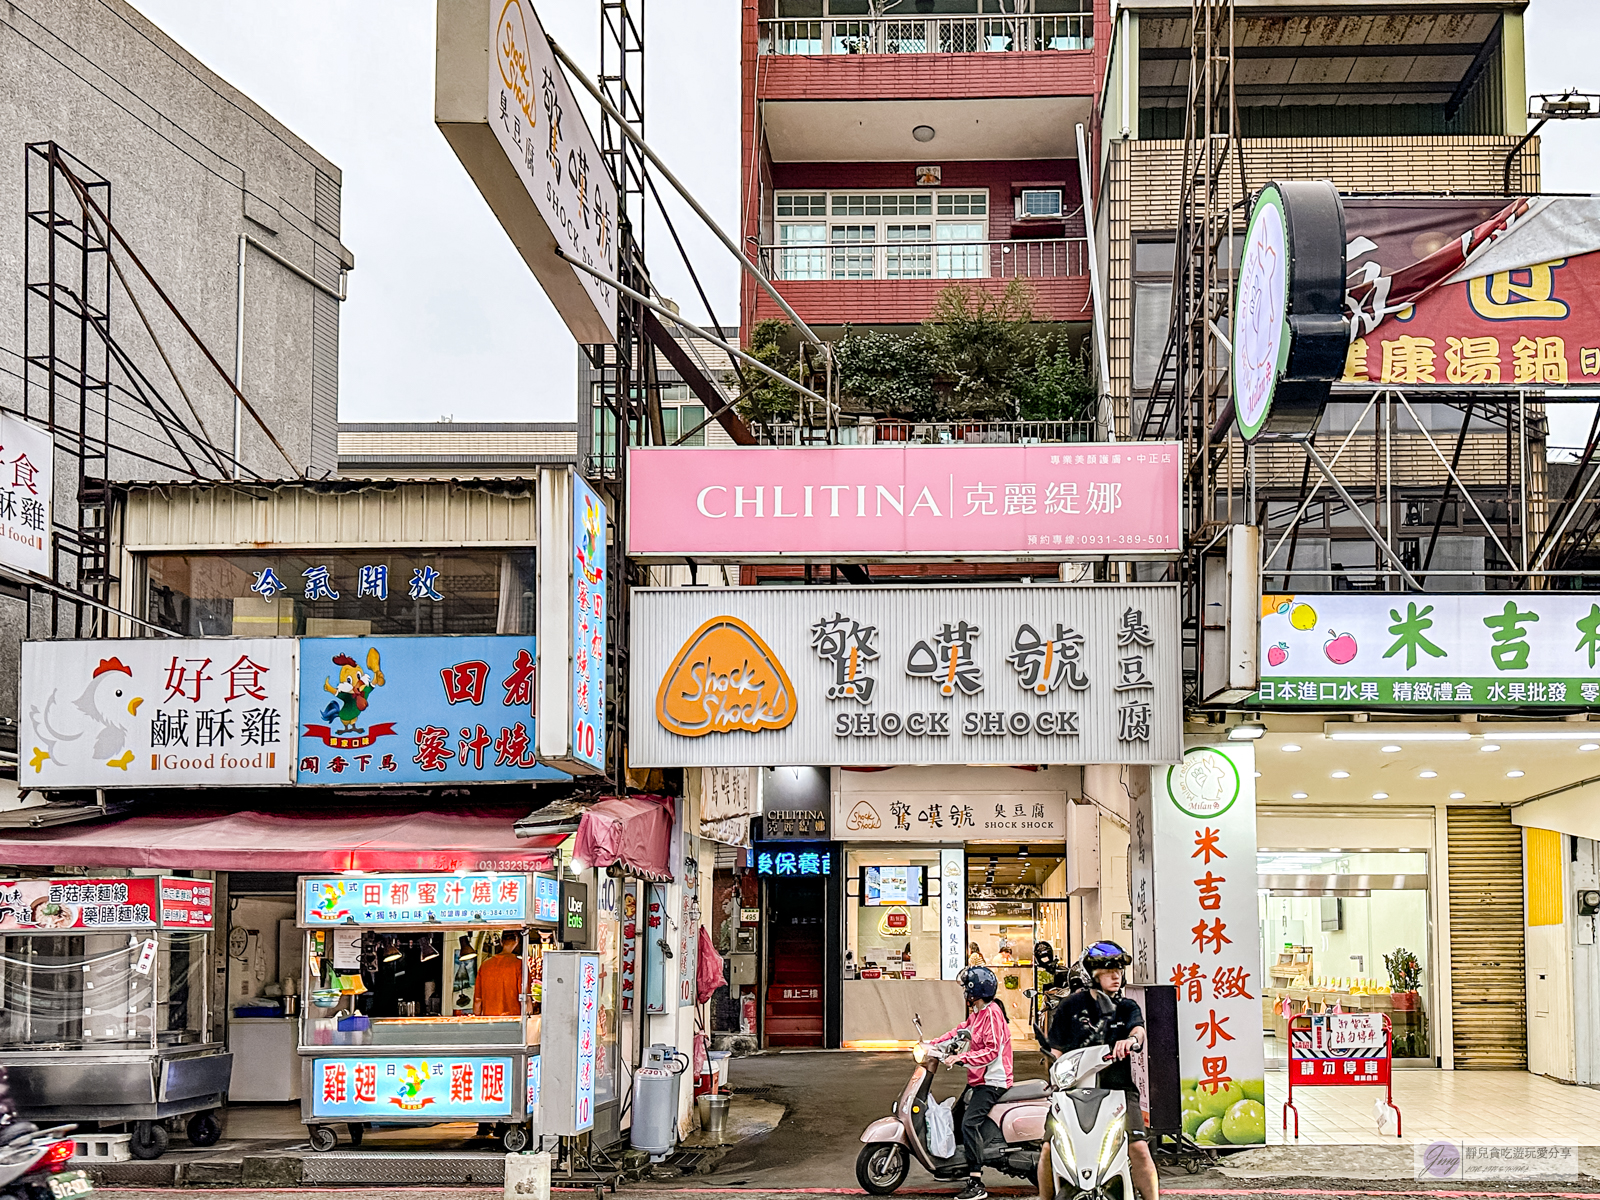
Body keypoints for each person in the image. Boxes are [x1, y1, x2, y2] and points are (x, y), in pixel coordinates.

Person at [1043, 942, 1158, 1200]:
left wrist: (1131, 1040)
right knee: (1048, 1149)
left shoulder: (1127, 1007)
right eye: (1108, 971)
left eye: (1118, 969)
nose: (1116, 975)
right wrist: (1055, 1073)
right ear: (1090, 975)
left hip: (1118, 1089)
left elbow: (1137, 1030)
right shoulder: (1069, 1007)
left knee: (1139, 1147)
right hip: (1072, 1092)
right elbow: (1056, 1050)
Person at [927, 965, 1013, 1200]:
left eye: (967, 988)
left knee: (969, 1123)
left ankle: (976, 1182)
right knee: (956, 1118)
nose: (964, 992)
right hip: (979, 1079)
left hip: (993, 1081)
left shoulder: (993, 1014)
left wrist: (961, 1058)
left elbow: (992, 1051)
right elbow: (960, 1031)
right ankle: (958, 1166)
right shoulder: (978, 1014)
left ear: (976, 990)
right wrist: (934, 1044)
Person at [473, 930, 524, 1017]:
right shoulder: (519, 965)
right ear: (517, 941)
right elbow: (525, 996)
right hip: (513, 1020)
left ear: (501, 941)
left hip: (490, 1021)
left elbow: (478, 1000)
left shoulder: (485, 966)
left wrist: (477, 1018)